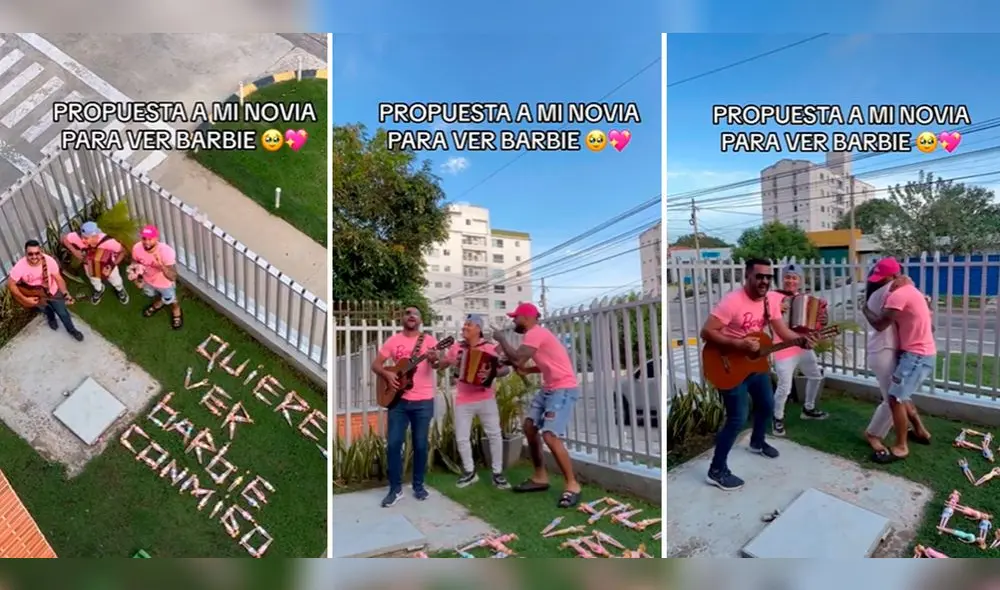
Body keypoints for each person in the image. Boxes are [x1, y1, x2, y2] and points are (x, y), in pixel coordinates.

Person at [700, 258, 815, 491]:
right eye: (759, 276)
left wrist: (801, 340)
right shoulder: (732, 301)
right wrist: (738, 345)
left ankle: (757, 442)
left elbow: (781, 329)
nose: (764, 281)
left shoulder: (769, 301)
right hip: (727, 365)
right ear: (748, 276)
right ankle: (716, 470)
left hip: (755, 364)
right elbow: (706, 332)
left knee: (766, 404)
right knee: (737, 418)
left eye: (768, 277)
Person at [492, 302, 583, 508]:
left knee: (549, 436)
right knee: (529, 427)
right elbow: (549, 363)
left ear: (526, 317)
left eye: (516, 317)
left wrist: (502, 339)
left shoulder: (535, 333)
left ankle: (572, 484)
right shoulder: (534, 336)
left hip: (563, 389)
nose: (513, 321)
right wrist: (525, 370)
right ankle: (540, 477)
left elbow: (518, 356)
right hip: (550, 387)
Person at [862, 258, 934, 463]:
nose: (879, 281)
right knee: (895, 398)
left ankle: (879, 434)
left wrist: (864, 308)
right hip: (885, 350)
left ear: (892, 276)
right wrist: (906, 281)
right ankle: (880, 435)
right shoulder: (893, 291)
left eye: (883, 277)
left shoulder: (892, 292)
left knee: (897, 397)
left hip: (893, 350)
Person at [434, 314, 511, 490]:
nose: (464, 328)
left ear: (478, 328)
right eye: (464, 325)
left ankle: (497, 474)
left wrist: (491, 374)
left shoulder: (490, 348)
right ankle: (469, 472)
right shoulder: (456, 348)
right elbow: (442, 364)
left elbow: (505, 369)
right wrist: (437, 357)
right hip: (463, 398)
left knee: (495, 435)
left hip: (486, 397)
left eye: (468, 325)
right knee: (462, 437)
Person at [370, 307, 438, 507]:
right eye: (407, 313)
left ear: (420, 319)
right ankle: (395, 489)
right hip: (398, 401)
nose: (411, 316)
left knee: (420, 445)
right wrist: (387, 374)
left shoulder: (430, 341)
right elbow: (376, 365)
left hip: (423, 401)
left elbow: (437, 364)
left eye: (415, 313)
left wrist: (435, 359)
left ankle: (418, 485)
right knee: (393, 444)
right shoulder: (394, 341)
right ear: (402, 318)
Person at [771, 263, 828, 437]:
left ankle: (808, 409)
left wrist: (822, 319)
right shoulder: (772, 296)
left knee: (815, 376)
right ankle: (777, 418)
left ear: (800, 281)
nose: (790, 281)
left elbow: (816, 322)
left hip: (802, 346)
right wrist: (775, 309)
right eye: (787, 277)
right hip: (782, 348)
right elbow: (759, 311)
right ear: (782, 279)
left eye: (794, 277)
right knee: (784, 387)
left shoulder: (805, 299)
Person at [6, 239, 82, 341]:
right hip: (36, 294)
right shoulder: (20, 266)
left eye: (37, 253)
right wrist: (25, 299)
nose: (34, 256)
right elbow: (11, 284)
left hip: (53, 292)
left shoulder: (49, 261)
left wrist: (65, 293)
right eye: (30, 254)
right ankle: (51, 319)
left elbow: (58, 278)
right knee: (46, 310)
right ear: (26, 254)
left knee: (63, 313)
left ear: (41, 251)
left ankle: (72, 330)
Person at [61, 221, 129, 305]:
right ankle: (99, 290)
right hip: (89, 267)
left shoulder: (108, 241)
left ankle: (120, 290)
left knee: (116, 280)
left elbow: (123, 251)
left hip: (109, 265)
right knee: (94, 281)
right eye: (82, 237)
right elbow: (64, 239)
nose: (82, 240)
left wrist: (111, 265)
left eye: (86, 238)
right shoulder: (77, 237)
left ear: (95, 236)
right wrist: (74, 251)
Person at [130, 225, 182, 329]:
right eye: (144, 238)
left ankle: (176, 310)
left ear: (157, 238)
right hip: (148, 281)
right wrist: (137, 279)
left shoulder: (166, 251)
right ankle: (159, 303)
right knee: (152, 294)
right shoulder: (137, 248)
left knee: (171, 298)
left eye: (150, 239)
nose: (147, 242)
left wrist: (161, 265)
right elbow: (134, 263)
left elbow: (172, 276)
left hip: (164, 283)